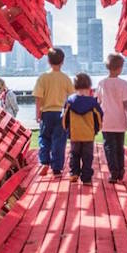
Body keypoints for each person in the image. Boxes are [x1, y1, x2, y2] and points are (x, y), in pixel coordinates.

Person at [33, 47, 74, 176]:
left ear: (48, 61)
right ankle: (56, 169)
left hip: (46, 113)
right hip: (61, 114)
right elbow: (72, 98)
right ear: (62, 62)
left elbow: (38, 98)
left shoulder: (43, 78)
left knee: (44, 138)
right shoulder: (66, 78)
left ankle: (44, 162)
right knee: (59, 141)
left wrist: (38, 114)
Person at [96, 53, 127, 183]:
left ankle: (113, 172)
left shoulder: (101, 83)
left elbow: (98, 103)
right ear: (120, 68)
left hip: (106, 121)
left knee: (109, 147)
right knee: (119, 147)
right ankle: (120, 170)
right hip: (120, 121)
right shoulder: (124, 84)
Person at [62, 73, 103, 185]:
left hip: (75, 134)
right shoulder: (93, 102)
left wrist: (67, 129)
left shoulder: (70, 101)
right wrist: (97, 129)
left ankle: (74, 173)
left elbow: (64, 117)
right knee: (87, 156)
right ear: (89, 86)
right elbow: (99, 116)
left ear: (75, 86)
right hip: (88, 134)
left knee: (74, 154)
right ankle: (86, 178)